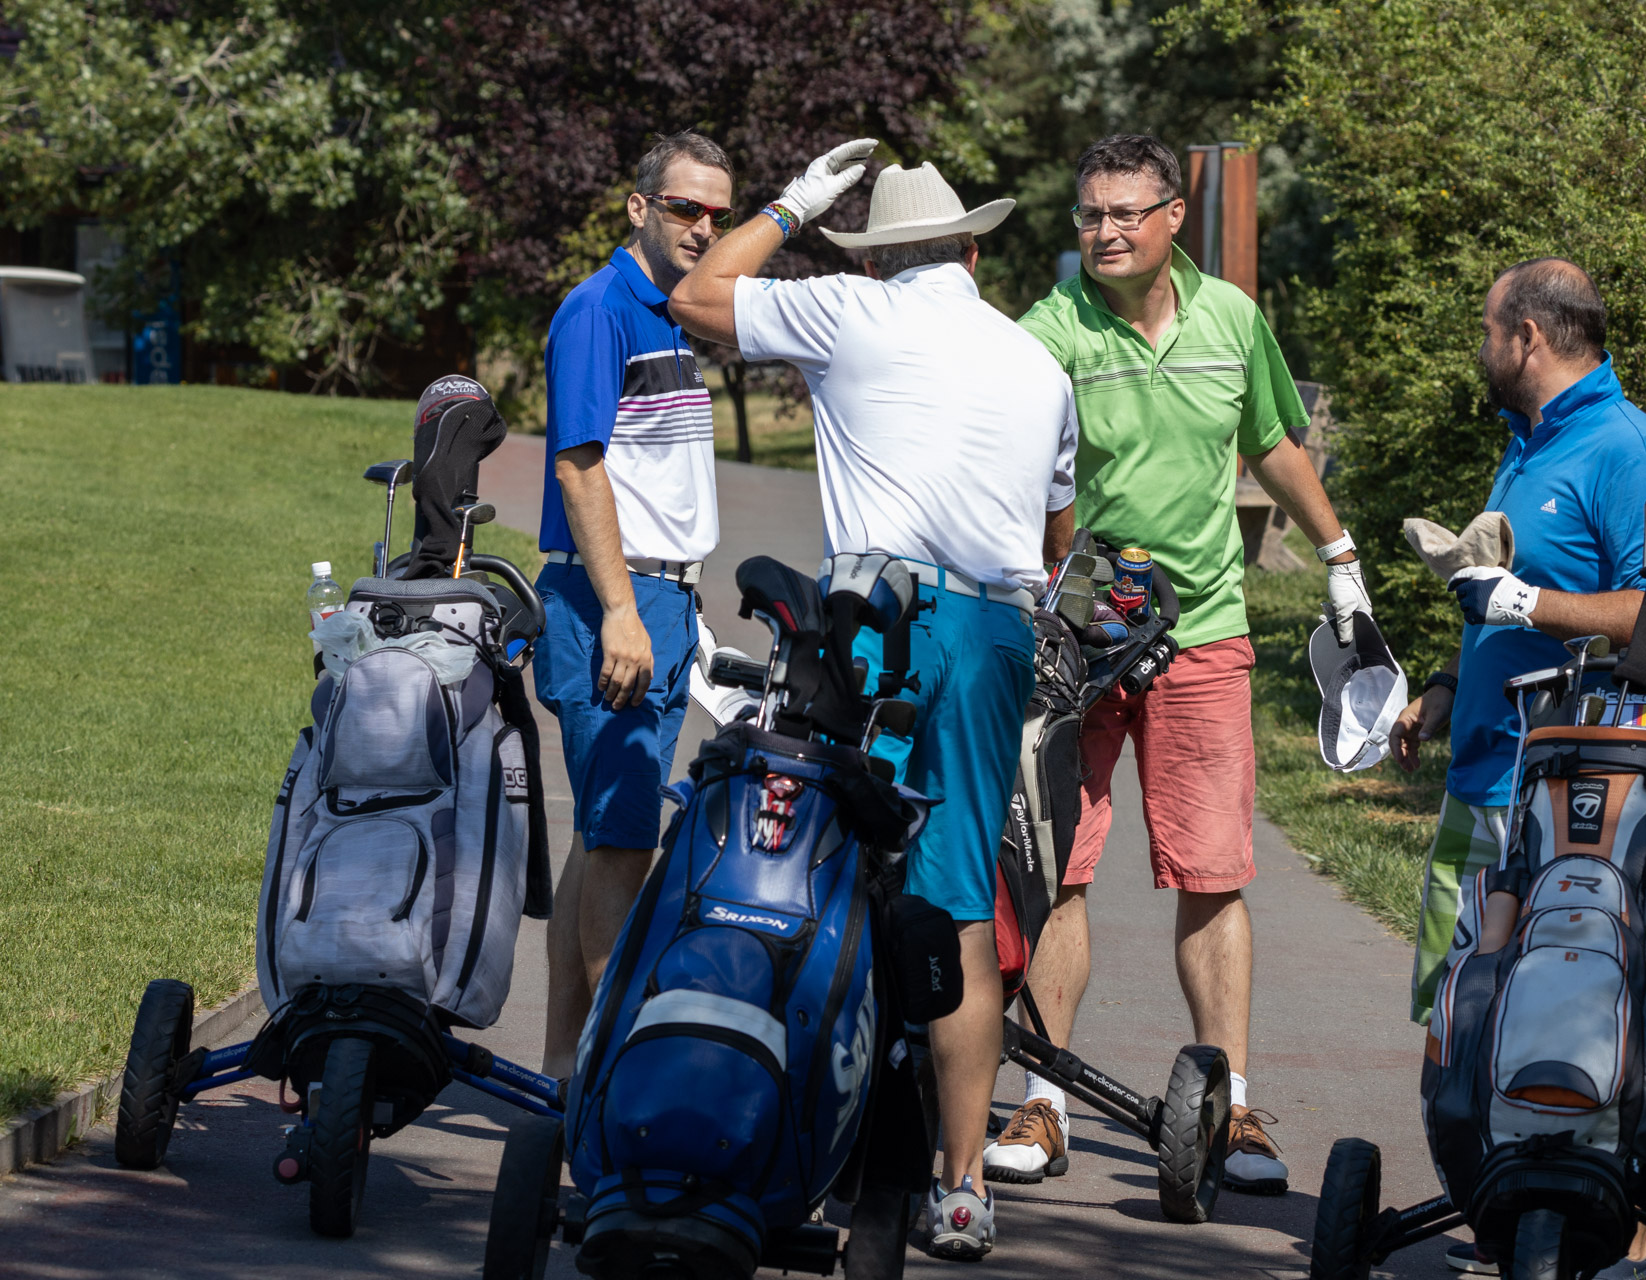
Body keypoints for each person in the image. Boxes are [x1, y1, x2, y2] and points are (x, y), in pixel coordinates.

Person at [670, 143, 1079, 1262]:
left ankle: (785, 1127)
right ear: (972, 254)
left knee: (820, 862)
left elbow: (696, 294)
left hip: (877, 619)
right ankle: (962, 1184)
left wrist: (793, 204)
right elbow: (1056, 531)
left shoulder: (851, 310)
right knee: (957, 902)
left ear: (873, 256)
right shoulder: (1036, 360)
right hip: (995, 629)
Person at [988, 133, 1372, 1196]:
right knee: (1058, 867)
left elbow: (1274, 443)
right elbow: (1006, 465)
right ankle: (1047, 1098)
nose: (1104, 232)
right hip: (1075, 643)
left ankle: (1230, 1107)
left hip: (1202, 634)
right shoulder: (1050, 331)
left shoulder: (1233, 318)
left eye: (1125, 213)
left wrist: (1340, 556)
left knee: (1211, 873)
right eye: (1090, 215)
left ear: (1171, 218)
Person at [1389, 257, 1646, 1280]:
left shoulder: (1630, 448)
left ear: (1527, 335)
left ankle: (1621, 1243)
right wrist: (1447, 682)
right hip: (1484, 776)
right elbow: (1500, 595)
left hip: (1579, 798)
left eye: (1488, 328)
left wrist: (1526, 603)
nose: (1480, 347)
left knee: (1581, 1011)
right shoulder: (1525, 443)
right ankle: (1504, 1220)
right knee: (1471, 1014)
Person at [534, 131, 734, 1079]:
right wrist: (621, 609)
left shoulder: (674, 312)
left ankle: (564, 1076)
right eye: (686, 207)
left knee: (601, 838)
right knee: (621, 843)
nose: (703, 227)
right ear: (639, 207)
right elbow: (578, 467)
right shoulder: (599, 311)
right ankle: (614, 1076)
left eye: (717, 214)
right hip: (618, 598)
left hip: (661, 596)